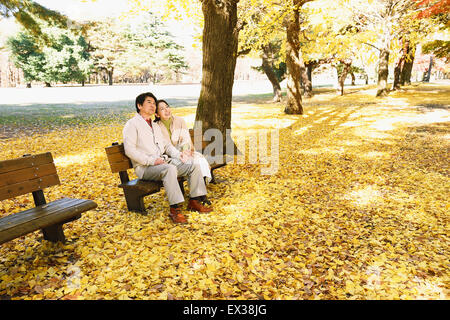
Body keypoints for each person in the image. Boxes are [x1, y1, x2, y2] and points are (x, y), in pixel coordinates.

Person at [123, 92, 212, 224]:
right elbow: (129, 150)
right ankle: (175, 209)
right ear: (139, 105)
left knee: (193, 164)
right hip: (145, 167)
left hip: (163, 163)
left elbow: (167, 145)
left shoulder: (154, 125)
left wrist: (179, 154)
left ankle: (194, 200)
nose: (153, 105)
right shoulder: (132, 124)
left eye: (154, 103)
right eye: (149, 102)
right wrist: (151, 161)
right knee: (170, 169)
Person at [154, 99, 213, 185]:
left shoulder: (179, 120)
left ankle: (199, 193)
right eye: (162, 109)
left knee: (197, 160)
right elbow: (163, 147)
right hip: (169, 157)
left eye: (167, 107)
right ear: (157, 114)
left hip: (184, 151)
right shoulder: (156, 127)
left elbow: (186, 139)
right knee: (189, 163)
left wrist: (185, 151)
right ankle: (198, 195)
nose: (167, 110)